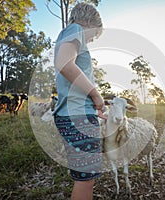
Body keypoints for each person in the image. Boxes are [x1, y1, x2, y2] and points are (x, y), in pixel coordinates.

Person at [53, 2, 103, 200]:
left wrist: (93, 107)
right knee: (86, 180)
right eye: (94, 35)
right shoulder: (75, 29)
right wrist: (95, 94)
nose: (90, 41)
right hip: (77, 116)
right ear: (90, 22)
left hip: (75, 113)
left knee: (84, 178)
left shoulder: (66, 35)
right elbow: (65, 64)